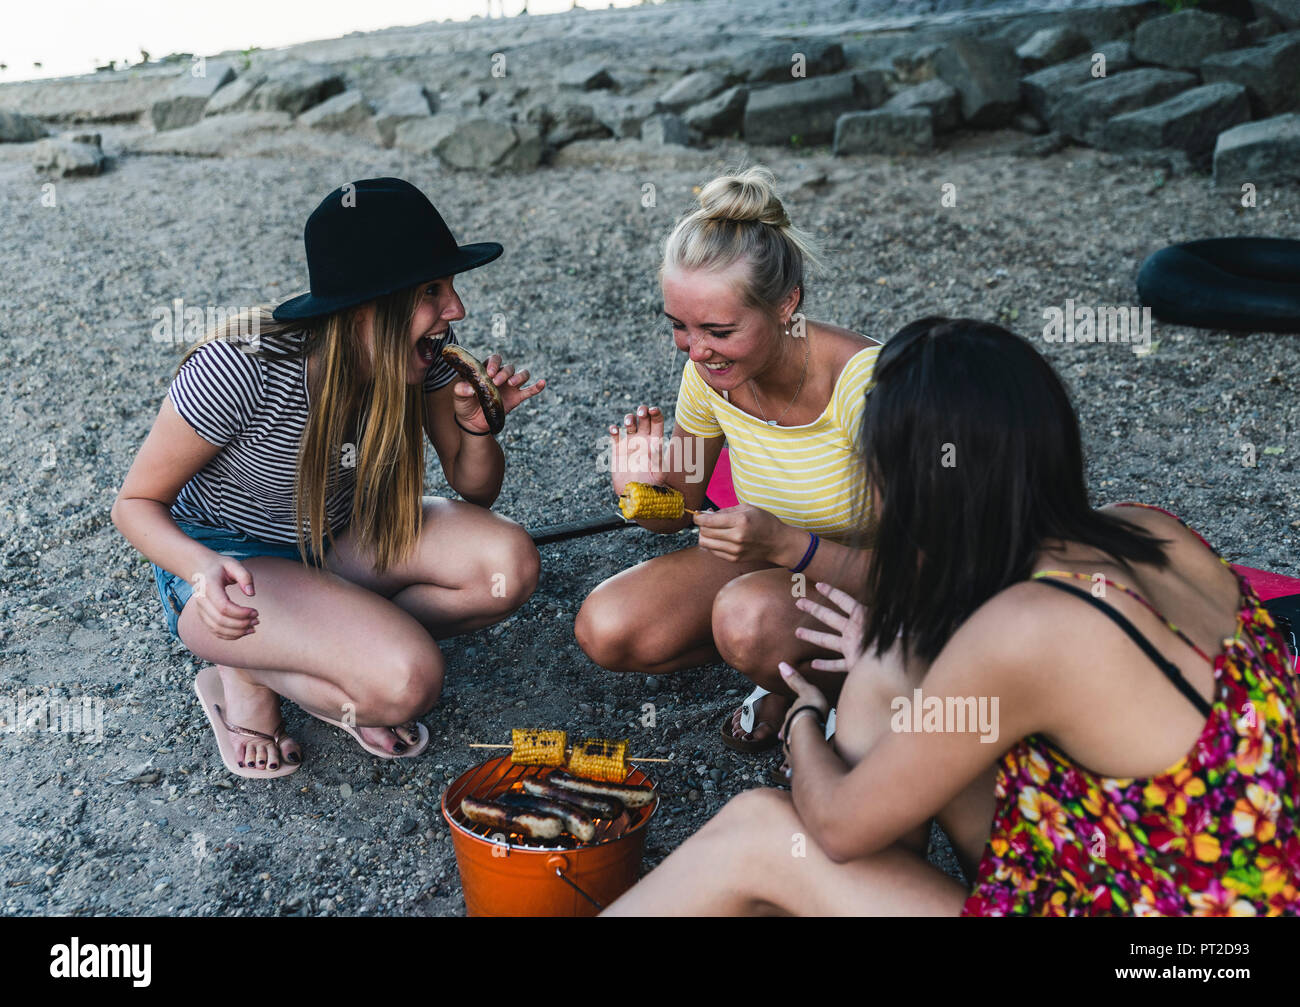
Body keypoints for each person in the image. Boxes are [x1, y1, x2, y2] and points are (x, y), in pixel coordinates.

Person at [604, 316, 1300, 916]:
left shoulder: (1029, 628)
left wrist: (806, 717)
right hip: (1218, 889)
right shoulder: (1146, 528)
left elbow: (840, 826)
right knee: (889, 664)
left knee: (759, 830)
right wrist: (887, 655)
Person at [112, 177, 545, 778]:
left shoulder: (425, 355)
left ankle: (333, 645)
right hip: (232, 566)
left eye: (450, 287)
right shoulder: (241, 369)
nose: (456, 310)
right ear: (368, 305)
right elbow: (134, 503)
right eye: (431, 291)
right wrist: (199, 568)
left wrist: (477, 429)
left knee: (509, 566)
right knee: (406, 685)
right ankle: (245, 669)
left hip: (336, 538)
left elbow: (476, 491)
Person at [574, 165, 879, 752]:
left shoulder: (866, 385)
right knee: (607, 627)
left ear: (788, 303)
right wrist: (640, 492)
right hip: (778, 559)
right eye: (680, 328)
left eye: (718, 329)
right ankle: (789, 670)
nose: (697, 351)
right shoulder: (708, 375)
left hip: (879, 584)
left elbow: (930, 567)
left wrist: (789, 547)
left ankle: (851, 697)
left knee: (746, 618)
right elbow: (680, 511)